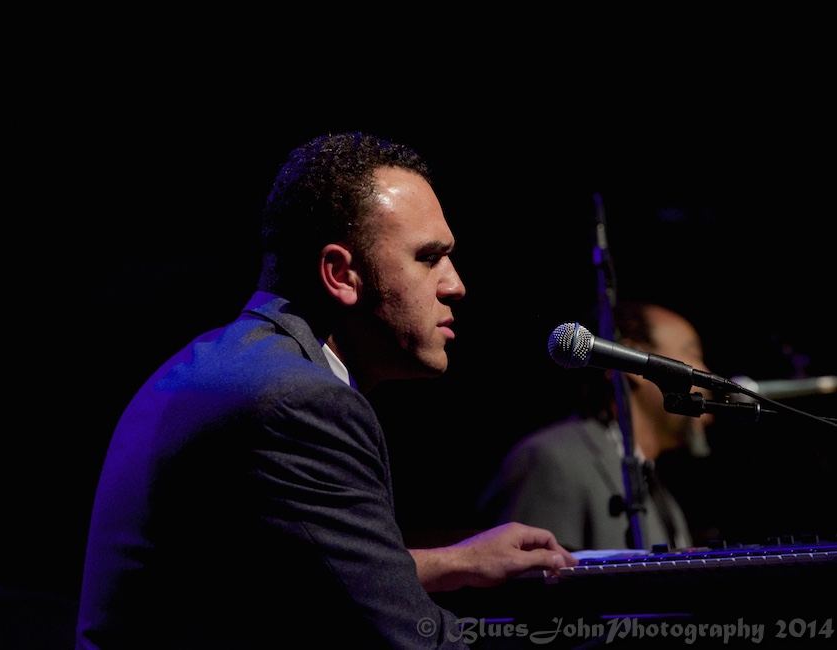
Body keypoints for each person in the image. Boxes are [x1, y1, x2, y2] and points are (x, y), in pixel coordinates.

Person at [75, 132, 577, 650]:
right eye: (429, 258)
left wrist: (454, 562)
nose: (456, 284)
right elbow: (415, 641)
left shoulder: (232, 359)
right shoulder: (299, 402)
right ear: (340, 274)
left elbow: (262, 576)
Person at [478, 301, 715, 552]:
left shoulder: (658, 489)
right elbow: (530, 584)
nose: (706, 372)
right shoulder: (554, 460)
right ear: (636, 366)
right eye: (693, 354)